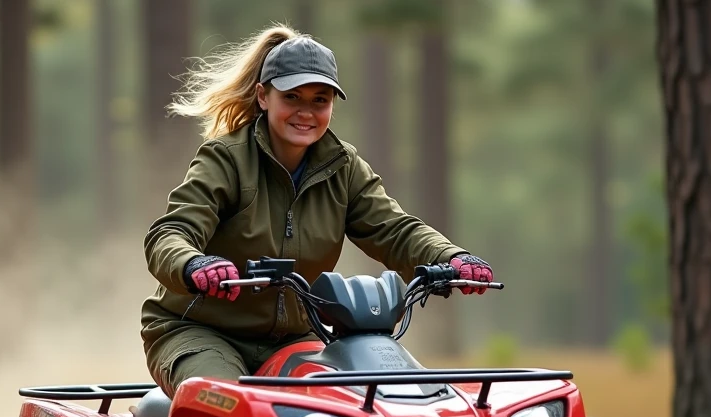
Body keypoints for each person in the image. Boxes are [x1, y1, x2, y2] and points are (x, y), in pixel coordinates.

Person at [142, 25, 493, 396]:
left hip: (295, 337)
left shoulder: (343, 166)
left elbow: (394, 229)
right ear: (263, 96)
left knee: (354, 401)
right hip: (200, 332)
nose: (305, 112)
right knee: (225, 404)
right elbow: (170, 233)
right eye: (292, 97)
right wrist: (194, 265)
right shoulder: (225, 159)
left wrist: (452, 257)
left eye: (319, 100)